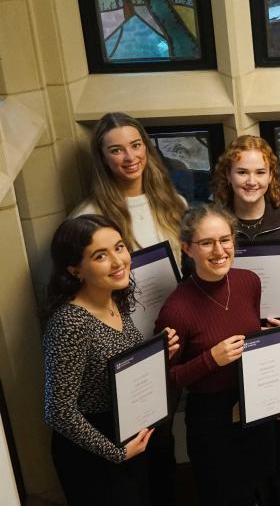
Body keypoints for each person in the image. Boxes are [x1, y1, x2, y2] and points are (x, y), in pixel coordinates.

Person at [156, 204, 280, 505]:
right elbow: (164, 380)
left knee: (262, 488)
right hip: (212, 419)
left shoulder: (249, 281)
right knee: (225, 497)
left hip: (255, 407)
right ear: (187, 248)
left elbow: (255, 340)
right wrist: (210, 359)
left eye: (225, 239)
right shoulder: (176, 309)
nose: (219, 251)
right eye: (206, 243)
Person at [41, 214, 179, 505]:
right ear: (75, 270)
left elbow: (116, 366)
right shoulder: (70, 323)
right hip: (93, 449)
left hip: (127, 433)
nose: (118, 262)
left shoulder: (115, 298)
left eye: (119, 247)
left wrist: (159, 355)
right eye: (100, 256)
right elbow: (58, 412)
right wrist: (116, 453)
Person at [212, 135, 280, 505]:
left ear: (272, 176)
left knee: (279, 425)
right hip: (230, 342)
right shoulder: (215, 223)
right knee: (239, 427)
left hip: (277, 339)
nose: (251, 180)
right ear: (228, 175)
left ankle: (279, 495)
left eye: (260, 172)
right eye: (242, 172)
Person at [73, 112, 187, 261]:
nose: (130, 157)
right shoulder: (88, 218)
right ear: (103, 158)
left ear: (145, 147)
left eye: (136, 145)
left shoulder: (176, 203)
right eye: (116, 150)